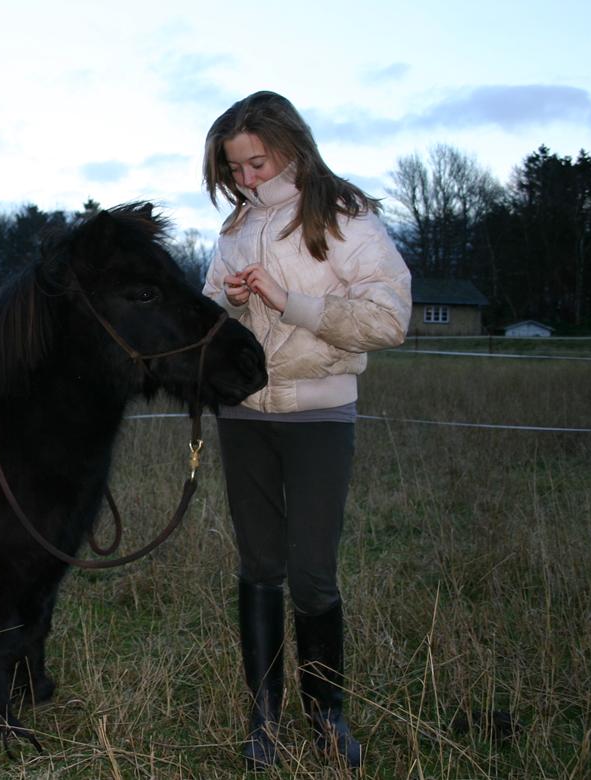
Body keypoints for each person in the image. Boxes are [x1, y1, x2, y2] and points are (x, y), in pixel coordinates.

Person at [201, 91, 411, 770]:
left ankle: (329, 715)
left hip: (320, 415)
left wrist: (287, 301)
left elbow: (387, 318)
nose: (247, 179)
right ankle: (262, 721)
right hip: (243, 418)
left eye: (256, 163)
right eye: (234, 170)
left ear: (289, 146)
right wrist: (226, 304)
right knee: (259, 568)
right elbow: (208, 320)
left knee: (312, 573)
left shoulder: (343, 214)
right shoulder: (233, 230)